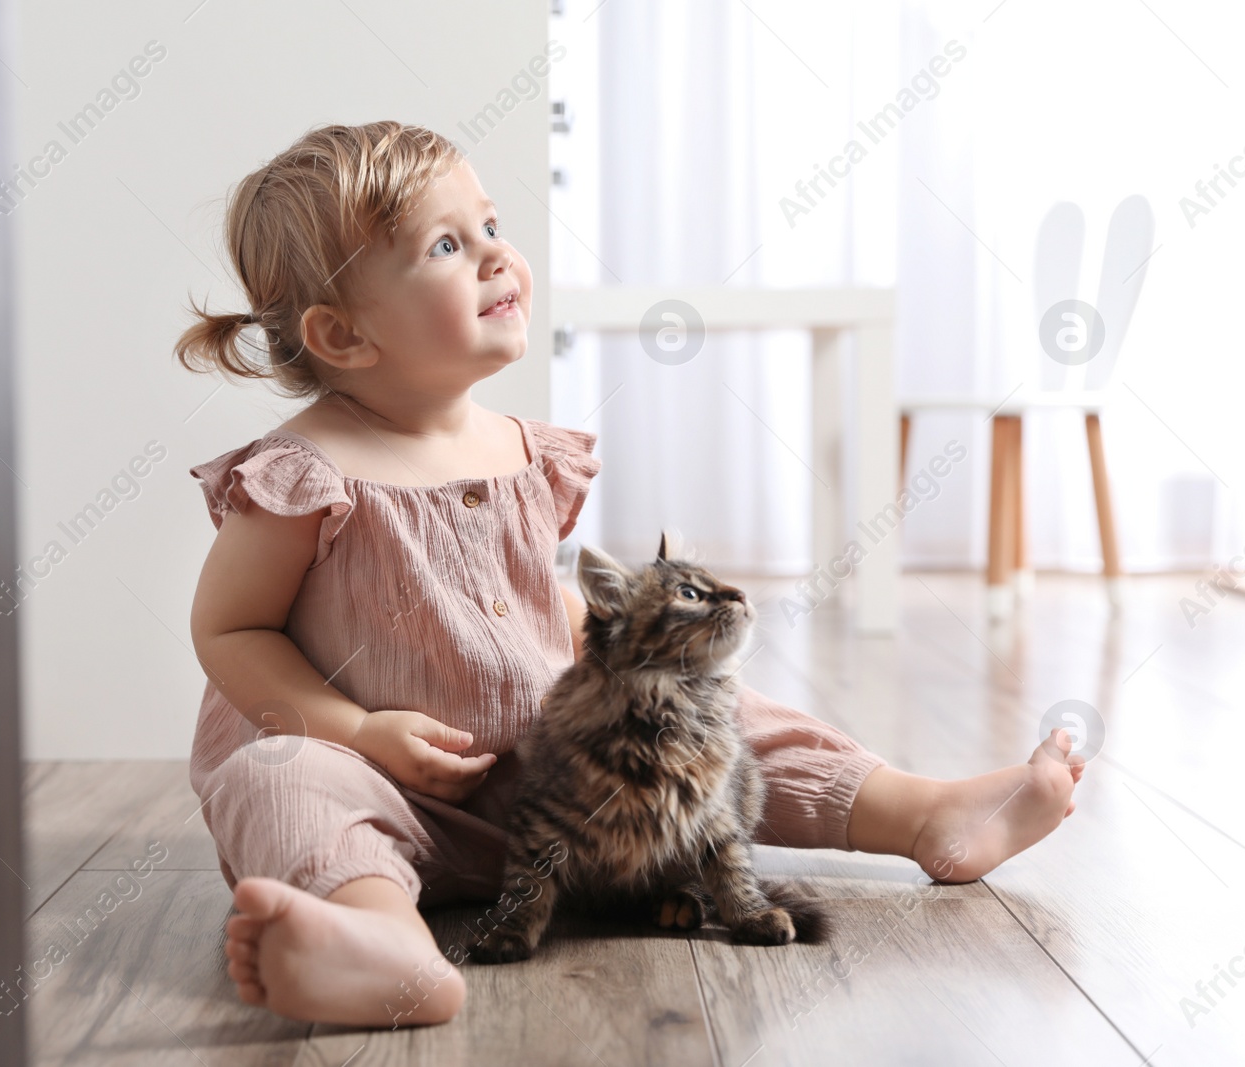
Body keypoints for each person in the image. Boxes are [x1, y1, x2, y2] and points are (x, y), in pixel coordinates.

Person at [177, 121, 1083, 1028]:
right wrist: (358, 729)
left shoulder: (524, 452)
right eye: (447, 246)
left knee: (721, 710)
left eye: (491, 226)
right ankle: (381, 941)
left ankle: (922, 813)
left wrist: (613, 653)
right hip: (383, 792)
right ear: (341, 334)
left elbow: (530, 602)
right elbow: (230, 631)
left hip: (557, 793)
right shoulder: (302, 473)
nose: (496, 257)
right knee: (279, 777)